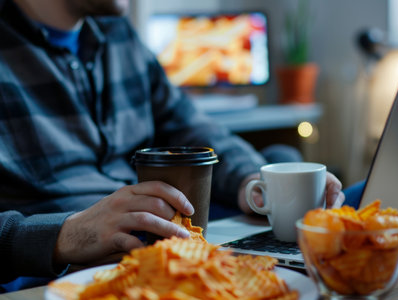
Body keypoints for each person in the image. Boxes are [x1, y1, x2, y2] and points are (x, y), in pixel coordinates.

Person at [0, 0, 345, 291]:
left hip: (163, 241)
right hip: (64, 270)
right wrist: (67, 235)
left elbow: (191, 127)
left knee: (293, 169)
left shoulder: (118, 34)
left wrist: (252, 184)